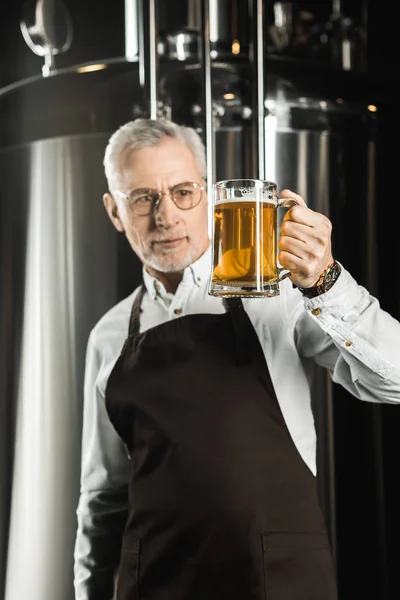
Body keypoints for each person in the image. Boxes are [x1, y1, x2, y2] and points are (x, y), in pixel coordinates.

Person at [73, 118, 400, 600]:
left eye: (183, 191)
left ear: (208, 195)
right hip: (156, 586)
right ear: (114, 211)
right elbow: (102, 501)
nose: (165, 216)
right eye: (143, 198)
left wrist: (326, 282)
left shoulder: (278, 292)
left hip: (279, 583)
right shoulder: (109, 335)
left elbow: (393, 381)